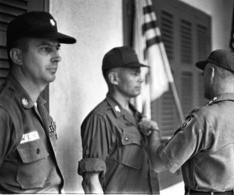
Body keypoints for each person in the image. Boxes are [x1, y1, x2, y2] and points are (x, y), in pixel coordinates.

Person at [140, 49, 234, 194]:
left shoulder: (203, 118)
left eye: (204, 74)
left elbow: (157, 164)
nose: (203, 78)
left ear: (212, 73)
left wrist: (153, 130)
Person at [0, 11, 76, 193]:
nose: (57, 57)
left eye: (57, 48)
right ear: (18, 56)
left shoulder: (39, 107)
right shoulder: (4, 112)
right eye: (45, 49)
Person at [77, 46, 160, 194]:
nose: (141, 79)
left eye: (139, 73)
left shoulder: (138, 118)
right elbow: (91, 183)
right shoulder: (101, 119)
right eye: (134, 73)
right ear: (114, 78)